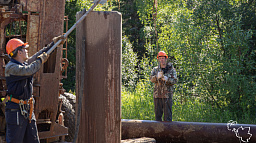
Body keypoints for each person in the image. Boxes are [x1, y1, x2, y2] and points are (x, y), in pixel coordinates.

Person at [4, 36, 65, 143]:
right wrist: (41, 60)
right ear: (19, 52)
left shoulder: (22, 64)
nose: (27, 51)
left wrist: (53, 44)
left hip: (27, 110)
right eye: (24, 49)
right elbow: (30, 70)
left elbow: (37, 56)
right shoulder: (12, 67)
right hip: (16, 111)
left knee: (33, 140)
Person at [150, 51, 178, 121]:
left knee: (167, 118)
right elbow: (151, 79)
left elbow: (175, 81)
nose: (162, 60)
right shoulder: (155, 69)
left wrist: (167, 79)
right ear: (158, 59)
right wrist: (156, 77)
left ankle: (168, 132)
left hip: (167, 96)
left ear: (166, 59)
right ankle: (158, 131)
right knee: (157, 118)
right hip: (157, 96)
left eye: (163, 58)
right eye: (160, 58)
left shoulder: (171, 70)